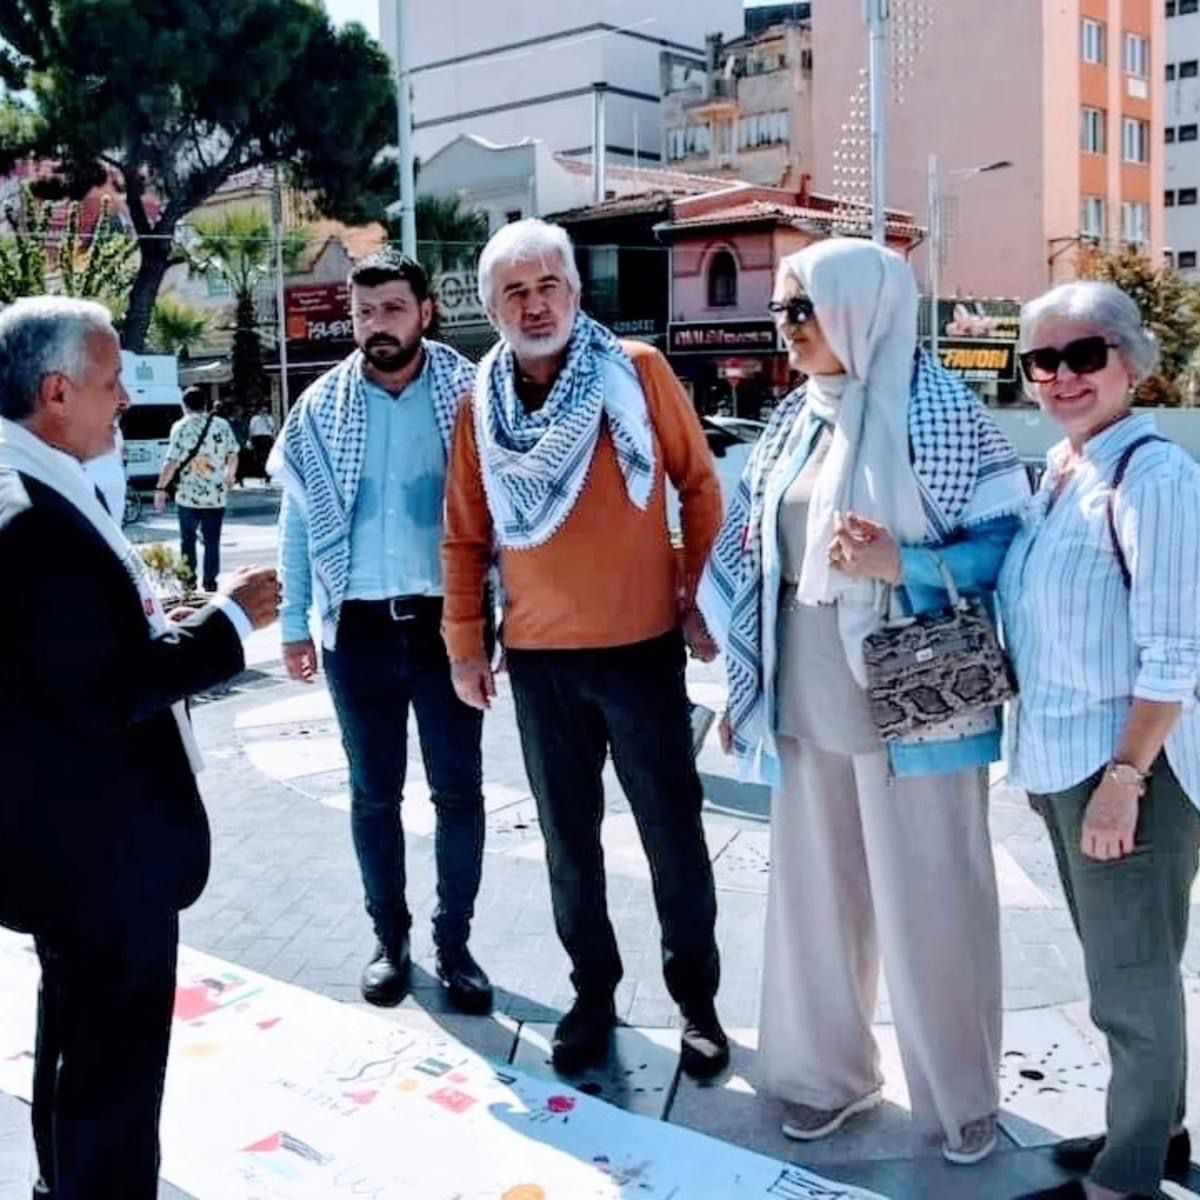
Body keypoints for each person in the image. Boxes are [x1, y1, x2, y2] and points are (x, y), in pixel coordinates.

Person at [697, 238, 1031, 1162]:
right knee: (815, 901)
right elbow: (755, 553)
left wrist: (905, 563)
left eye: (802, 310)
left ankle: (961, 1096)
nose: (787, 329)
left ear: (859, 311)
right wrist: (744, 681)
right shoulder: (792, 422)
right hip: (808, 700)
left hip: (918, 700)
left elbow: (1009, 543)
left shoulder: (943, 414)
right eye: (781, 313)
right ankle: (826, 1077)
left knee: (936, 905)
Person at [0, 296, 279, 1200]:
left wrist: (185, 623)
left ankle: (62, 1186)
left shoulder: (33, 485)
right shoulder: (30, 516)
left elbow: (80, 654)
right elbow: (103, 693)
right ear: (56, 392)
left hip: (66, 841)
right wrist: (232, 621)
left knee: (77, 1044)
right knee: (112, 1070)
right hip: (97, 849)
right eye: (112, 382)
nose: (125, 400)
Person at [442, 218, 730, 1078]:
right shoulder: (479, 401)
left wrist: (696, 595)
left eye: (548, 288)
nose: (535, 307)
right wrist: (465, 645)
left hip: (643, 653)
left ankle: (698, 1004)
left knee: (671, 835)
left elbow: (699, 483)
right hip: (537, 664)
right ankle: (592, 996)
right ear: (491, 308)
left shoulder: (635, 373)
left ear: (576, 291)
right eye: (514, 294)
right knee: (570, 845)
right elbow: (464, 535)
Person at [998, 282, 1200, 1200]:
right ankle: (1152, 1130)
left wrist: (1124, 778)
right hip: (1066, 759)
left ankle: (1127, 1181)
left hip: (1128, 769)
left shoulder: (1153, 479)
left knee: (1129, 983)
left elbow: (1176, 650)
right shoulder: (1063, 471)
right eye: (1044, 360)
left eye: (1085, 355)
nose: (1063, 376)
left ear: (1129, 361)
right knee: (1130, 966)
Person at [269, 248, 492, 1013]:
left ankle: (455, 945)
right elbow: (296, 520)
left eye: (393, 310)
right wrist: (296, 624)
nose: (377, 327)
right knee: (373, 796)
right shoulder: (321, 407)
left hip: (447, 626)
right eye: (365, 314)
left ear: (426, 312)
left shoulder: (472, 394)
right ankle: (388, 941)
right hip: (356, 629)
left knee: (458, 793)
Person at [154, 386, 239, 591]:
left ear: (184, 406)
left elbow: (171, 462)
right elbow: (233, 454)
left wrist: (160, 489)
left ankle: (188, 582)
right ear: (206, 404)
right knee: (212, 541)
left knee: (188, 540)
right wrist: (230, 475)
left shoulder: (180, 427)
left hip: (187, 496)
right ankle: (210, 583)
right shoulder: (222, 425)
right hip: (216, 496)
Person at [83, 420, 127, 521]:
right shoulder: (117, 431)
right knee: (114, 522)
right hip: (115, 475)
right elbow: (121, 453)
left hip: (93, 476)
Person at [248, 404, 276, 478]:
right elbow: (251, 429)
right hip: (257, 438)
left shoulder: (269, 418)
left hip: (266, 438)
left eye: (265, 411)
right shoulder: (254, 418)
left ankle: (267, 472)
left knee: (266, 455)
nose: (264, 413)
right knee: (258, 456)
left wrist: (266, 420)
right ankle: (259, 472)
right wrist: (250, 440)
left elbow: (272, 429)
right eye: (263, 411)